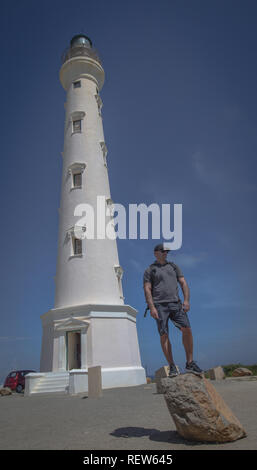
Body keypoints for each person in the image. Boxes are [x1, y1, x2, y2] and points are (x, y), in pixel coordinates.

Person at [143, 243, 203, 377]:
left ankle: (190, 363)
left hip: (176, 303)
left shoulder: (174, 266)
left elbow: (183, 283)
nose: (165, 253)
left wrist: (186, 300)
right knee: (164, 334)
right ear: (156, 253)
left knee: (187, 329)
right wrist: (152, 307)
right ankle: (172, 366)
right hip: (159, 306)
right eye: (163, 251)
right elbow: (147, 289)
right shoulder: (150, 270)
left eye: (167, 252)